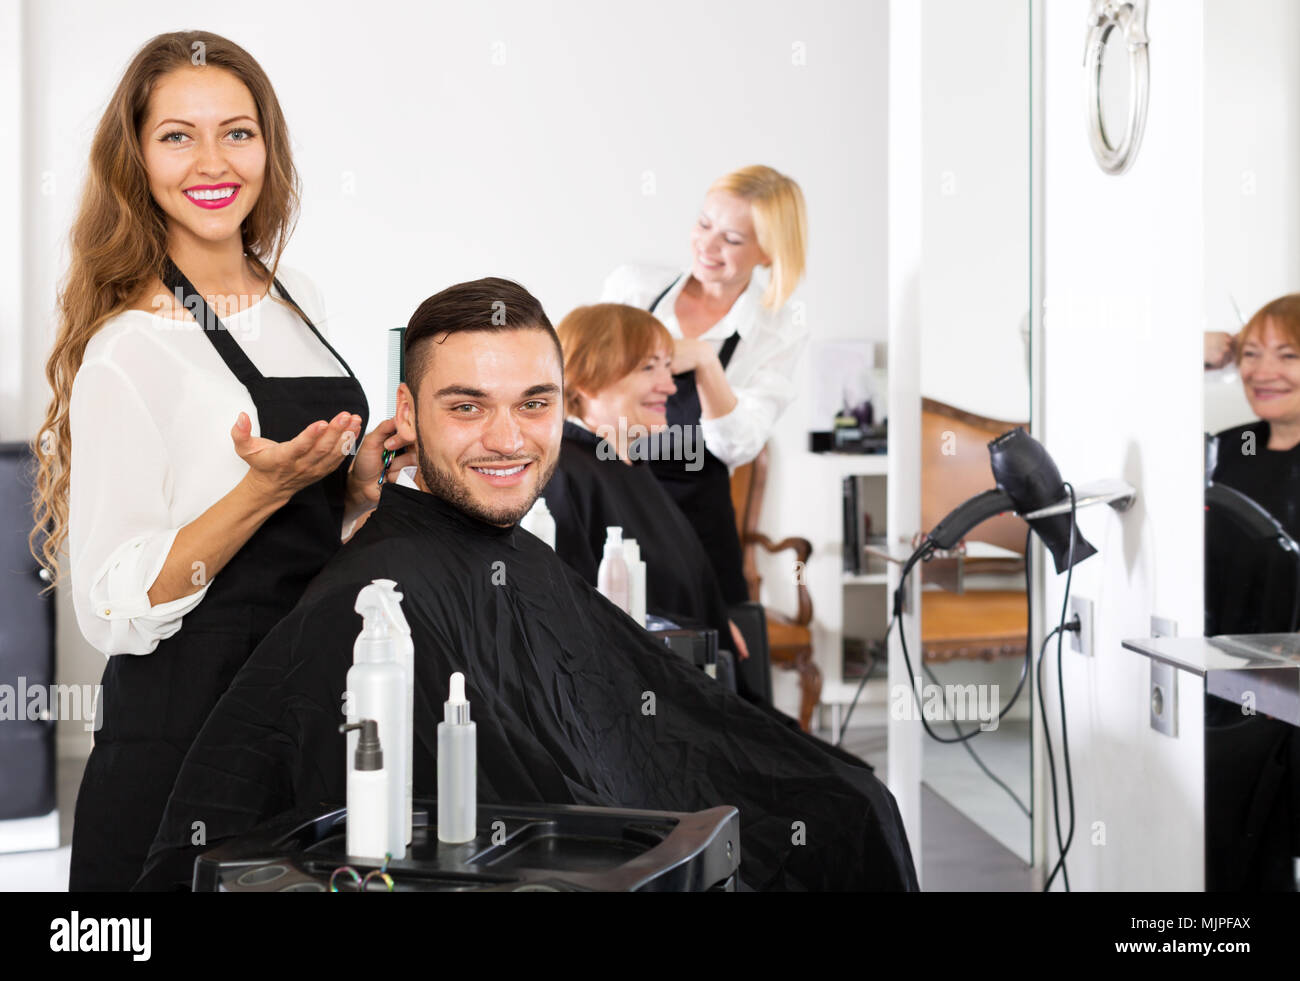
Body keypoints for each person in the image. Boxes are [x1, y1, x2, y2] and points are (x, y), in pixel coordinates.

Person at [137, 278, 918, 892]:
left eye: (533, 404)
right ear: (407, 411)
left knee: (849, 804)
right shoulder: (375, 595)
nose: (507, 439)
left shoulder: (502, 549)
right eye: (467, 405)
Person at [30, 31, 412, 891]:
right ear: (137, 157)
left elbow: (302, 546)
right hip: (180, 747)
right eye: (178, 135)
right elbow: (111, 607)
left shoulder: (293, 299)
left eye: (237, 132)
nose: (213, 161)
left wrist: (350, 489)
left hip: (295, 731)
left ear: (268, 149)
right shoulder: (130, 348)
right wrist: (261, 490)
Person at [601, 165, 808, 604]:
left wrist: (705, 363)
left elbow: (738, 446)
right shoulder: (634, 291)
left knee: (711, 662)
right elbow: (582, 393)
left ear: (769, 253)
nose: (707, 246)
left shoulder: (777, 330)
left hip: (697, 529)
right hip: (610, 508)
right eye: (704, 224)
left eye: (732, 239)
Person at [542, 302, 748, 667]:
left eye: (668, 367)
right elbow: (577, 622)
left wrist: (712, 620)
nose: (669, 386)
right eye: (649, 367)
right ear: (588, 377)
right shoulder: (564, 474)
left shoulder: (628, 464)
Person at [1204, 294, 1300, 890]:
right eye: (1250, 353)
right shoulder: (1230, 449)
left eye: (1288, 355)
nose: (1263, 372)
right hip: (1232, 683)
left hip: (1294, 688)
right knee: (1238, 855)